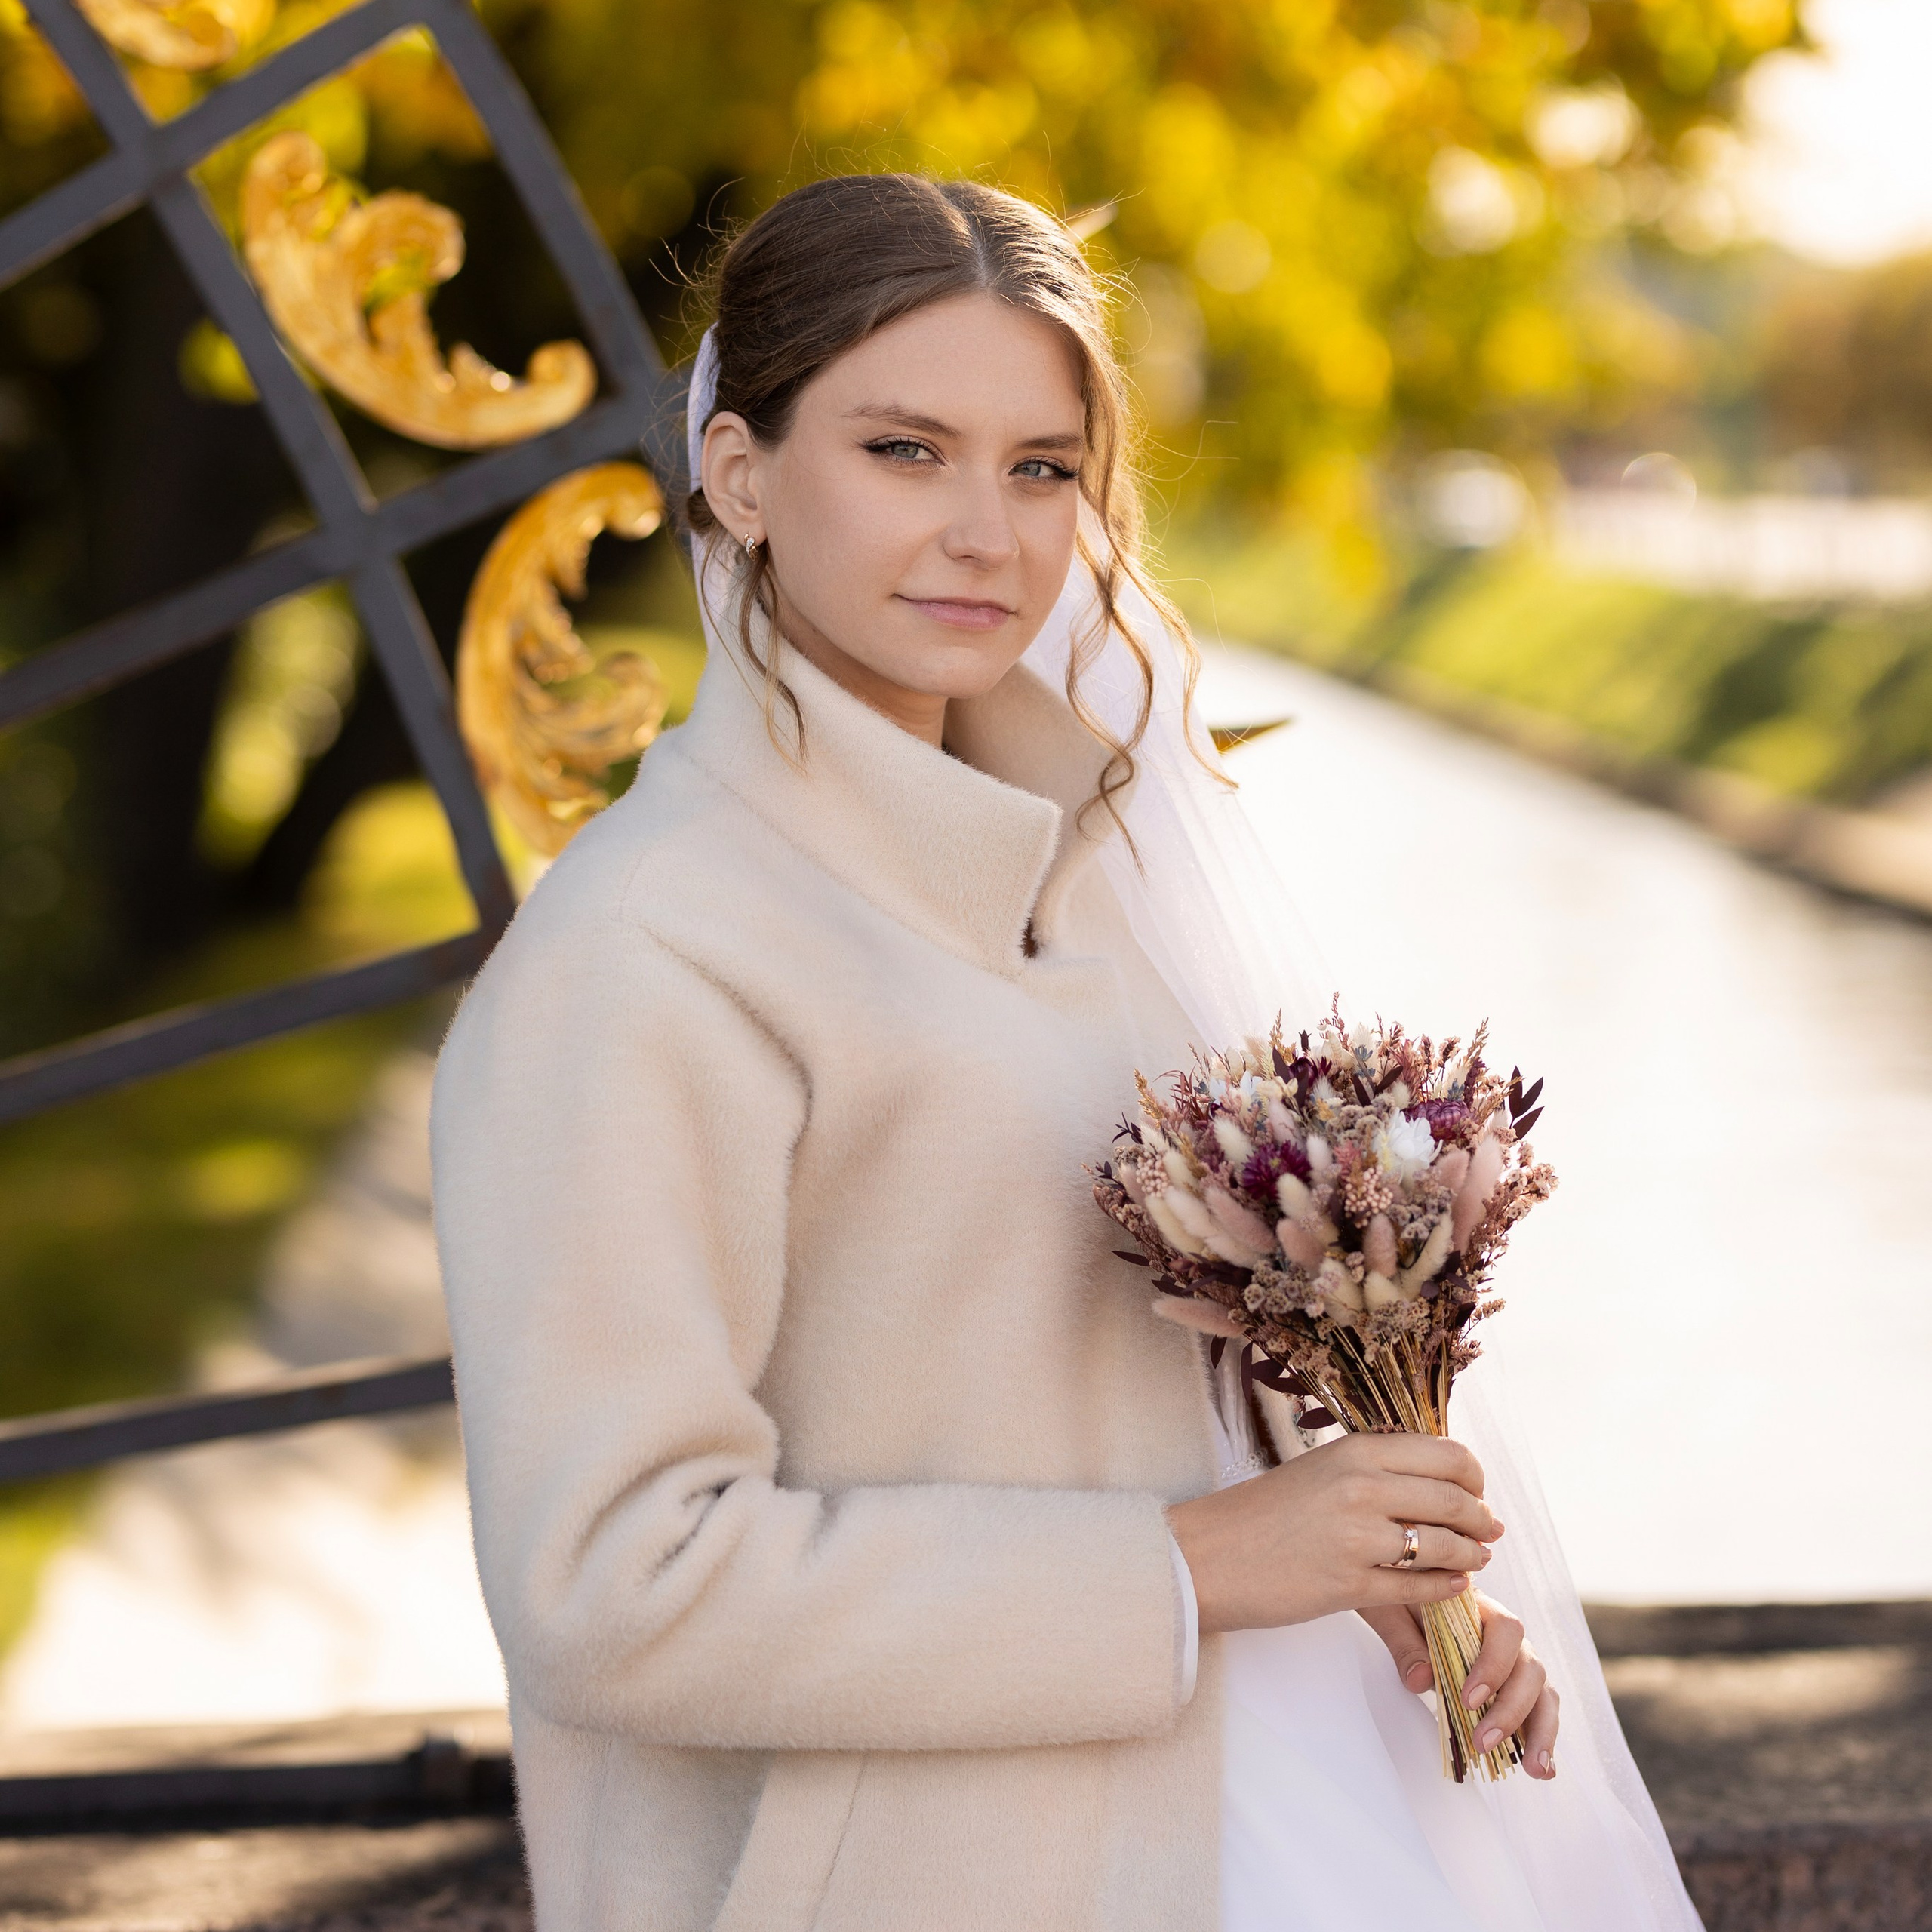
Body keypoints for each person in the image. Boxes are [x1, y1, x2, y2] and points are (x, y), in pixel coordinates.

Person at [431, 172, 1702, 1931]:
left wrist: (1382, 1586)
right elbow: (612, 1583)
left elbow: (1131, 1388)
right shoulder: (641, 958)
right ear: (737, 473)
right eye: (903, 449)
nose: (986, 531)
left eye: (1039, 466)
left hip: (1286, 1802)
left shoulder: (1081, 876)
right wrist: (1204, 1564)